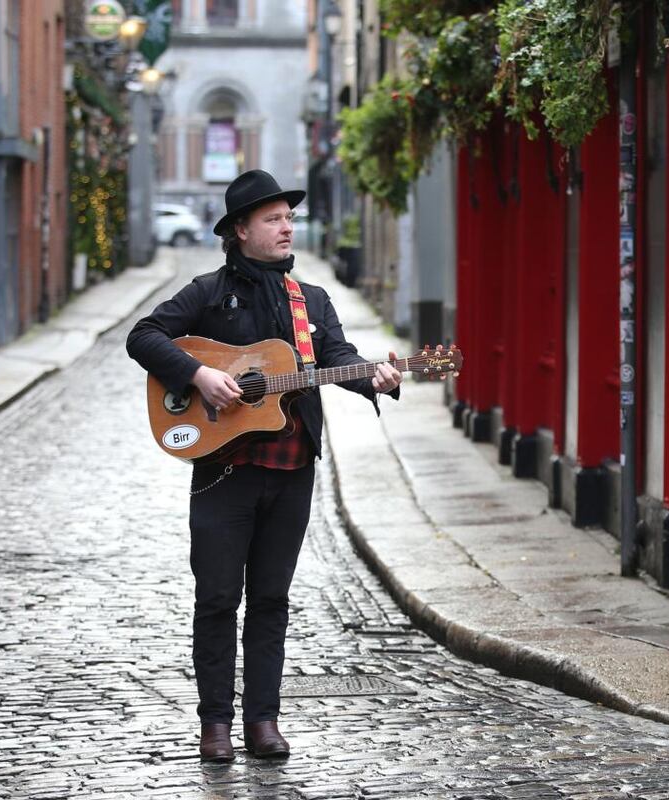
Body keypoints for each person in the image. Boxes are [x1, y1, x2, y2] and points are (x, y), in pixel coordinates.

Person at [126, 170, 402, 762]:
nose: (286, 228)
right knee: (218, 598)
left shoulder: (311, 300)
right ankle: (215, 724)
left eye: (289, 218)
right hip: (223, 473)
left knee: (272, 599)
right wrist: (198, 374)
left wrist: (374, 377)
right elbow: (143, 336)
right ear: (241, 230)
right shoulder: (206, 293)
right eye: (273, 219)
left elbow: (337, 356)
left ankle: (263, 721)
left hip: (292, 469)